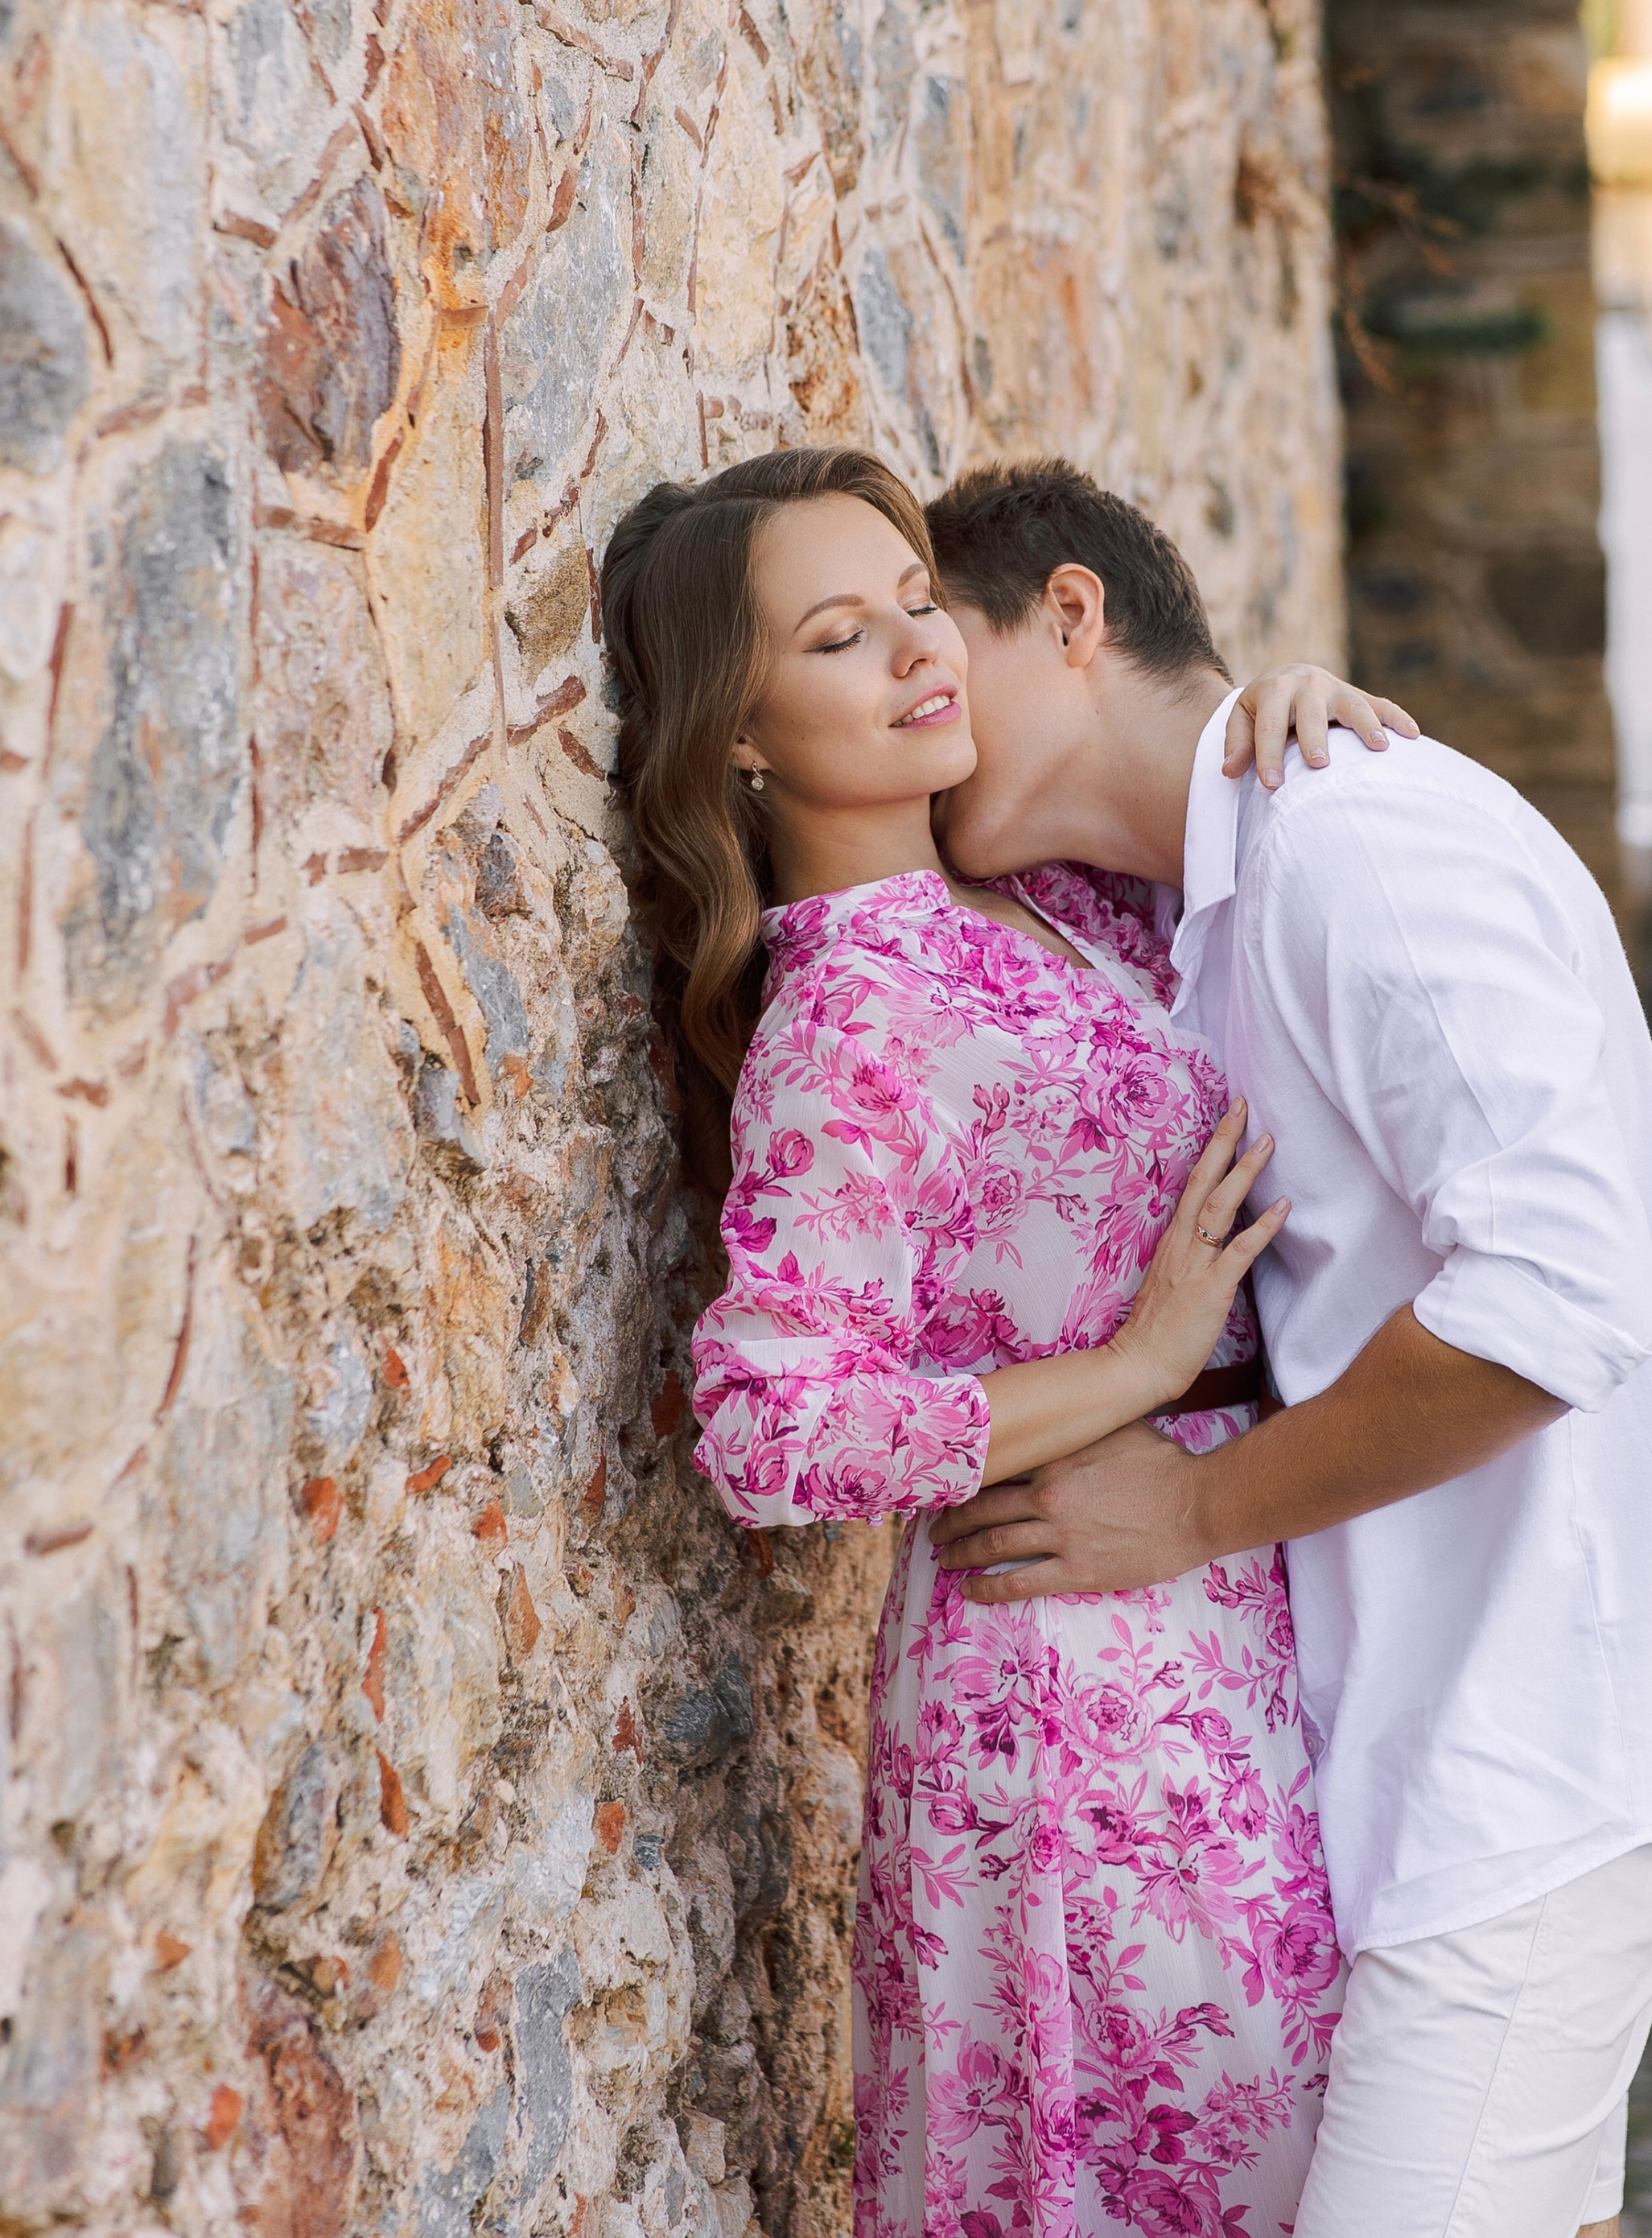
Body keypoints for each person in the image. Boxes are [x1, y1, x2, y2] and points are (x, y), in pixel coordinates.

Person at [925, 457, 1652, 2238]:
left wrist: (1183, 1518)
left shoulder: (1359, 840)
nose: (919, 708)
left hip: (1539, 1737)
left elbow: (1560, 1298)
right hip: (1431, 1739)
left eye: (936, 643)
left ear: (1074, 613)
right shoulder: (1218, 900)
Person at [599, 447, 1406, 2238]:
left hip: (1226, 1604)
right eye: (837, 639)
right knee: (1202, 2160)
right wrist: (1132, 1372)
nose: (913, 652)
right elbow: (768, 1425)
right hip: (1068, 1680)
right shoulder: (858, 1001)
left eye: (911, 604)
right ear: (735, 733)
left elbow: (1209, 888)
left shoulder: (1032, 895)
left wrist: (1261, 713)